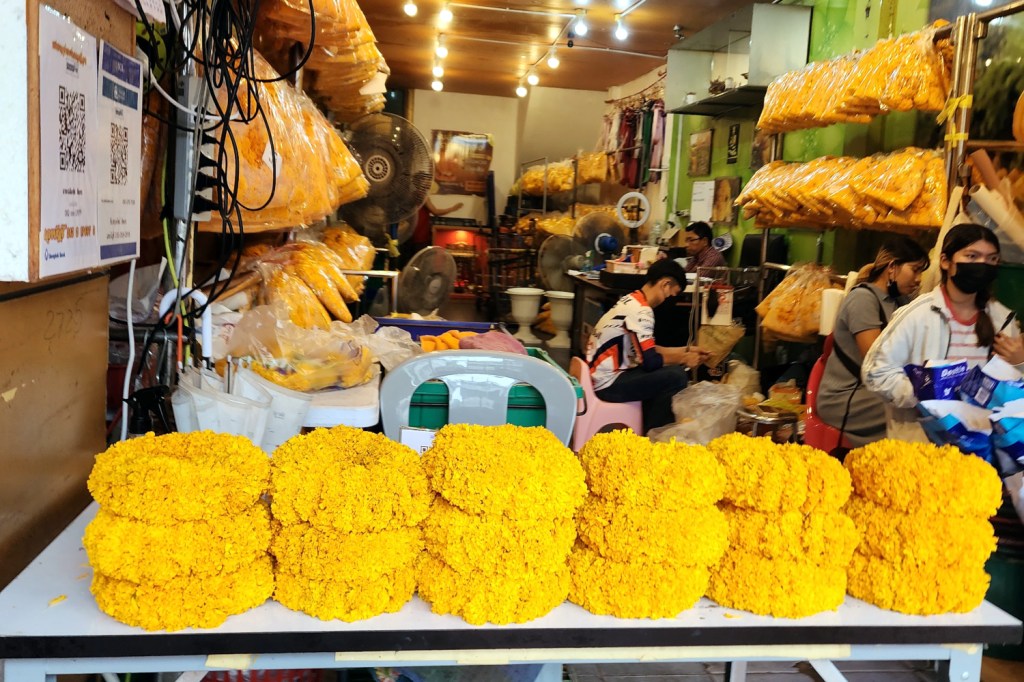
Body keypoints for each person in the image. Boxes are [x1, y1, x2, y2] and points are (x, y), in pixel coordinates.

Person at [863, 224, 1024, 439]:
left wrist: (1020, 363)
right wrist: (925, 390)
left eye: (991, 259)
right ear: (946, 261)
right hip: (923, 451)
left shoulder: (1002, 320)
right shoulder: (917, 315)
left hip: (982, 452)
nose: (982, 265)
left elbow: (1014, 398)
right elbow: (875, 374)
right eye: (972, 256)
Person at [816, 235, 929, 447]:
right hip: (846, 396)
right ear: (892, 267)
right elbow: (876, 364)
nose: (919, 279)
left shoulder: (901, 302)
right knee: (913, 412)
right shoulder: (863, 299)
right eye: (915, 270)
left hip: (874, 393)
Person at [585, 258, 711, 432]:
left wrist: (687, 350)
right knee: (676, 377)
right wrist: (684, 359)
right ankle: (654, 436)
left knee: (671, 372)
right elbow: (650, 361)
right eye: (670, 294)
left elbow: (649, 350)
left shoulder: (631, 300)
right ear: (665, 284)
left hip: (600, 376)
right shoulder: (642, 311)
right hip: (607, 384)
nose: (668, 300)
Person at [400, 197, 464, 268]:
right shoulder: (422, 196)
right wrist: (452, 208)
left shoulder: (405, 197)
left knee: (406, 264)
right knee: (420, 265)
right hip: (420, 236)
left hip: (406, 236)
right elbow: (435, 212)